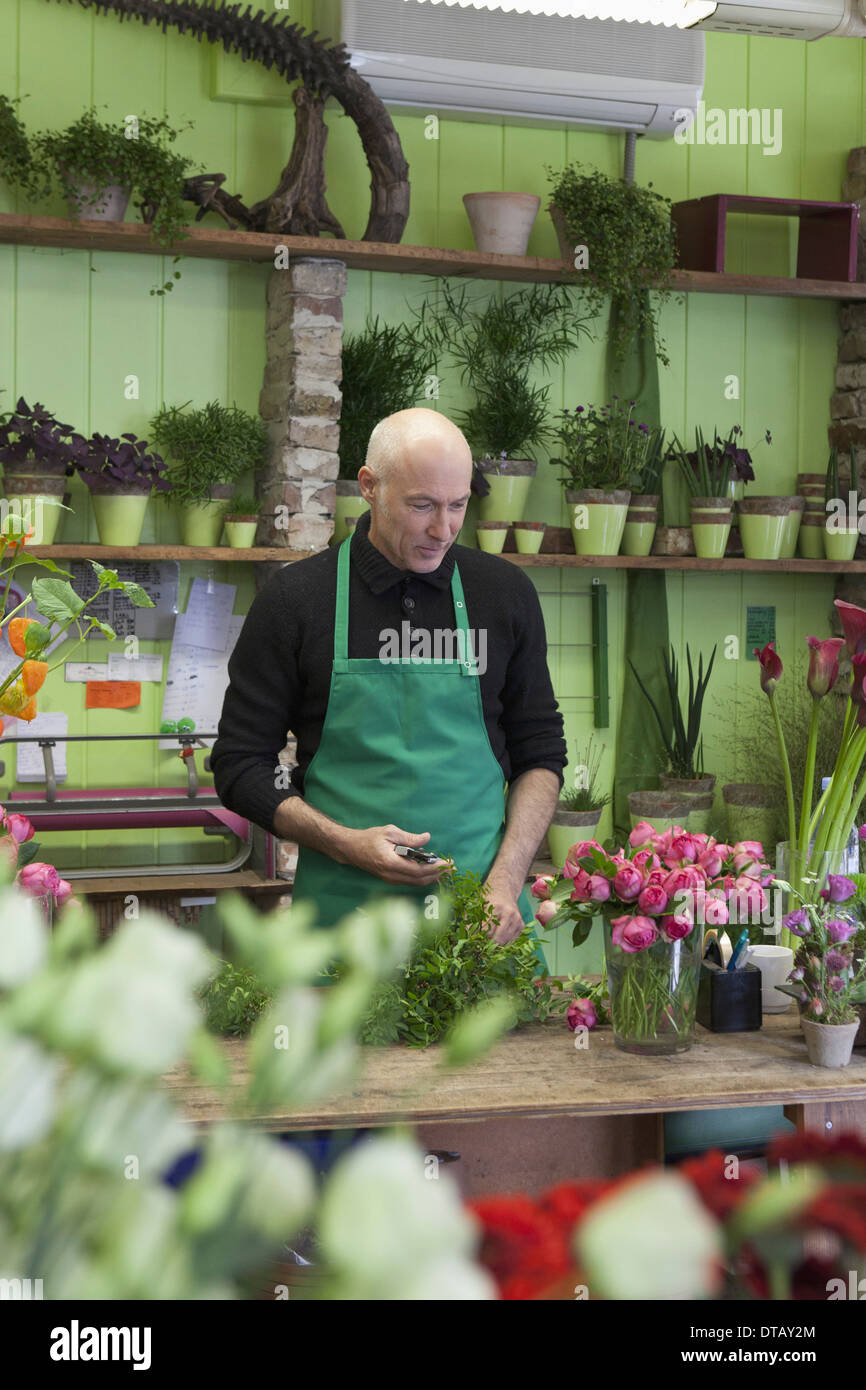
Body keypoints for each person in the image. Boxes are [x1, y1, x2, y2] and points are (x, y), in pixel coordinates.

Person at [211, 407, 567, 947]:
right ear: (370, 487)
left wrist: (506, 880)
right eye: (422, 505)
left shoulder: (505, 593)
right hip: (342, 924)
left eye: (458, 506)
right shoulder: (296, 601)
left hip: (482, 921)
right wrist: (343, 843)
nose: (442, 529)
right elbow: (240, 765)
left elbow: (540, 752)